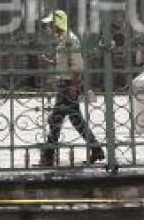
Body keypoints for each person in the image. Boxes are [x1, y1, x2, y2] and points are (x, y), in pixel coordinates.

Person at [38, 10, 105, 167]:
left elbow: (77, 66)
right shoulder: (63, 40)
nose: (49, 27)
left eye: (51, 24)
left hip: (68, 85)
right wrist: (50, 62)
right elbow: (65, 62)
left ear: (58, 23)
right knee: (75, 119)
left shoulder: (70, 40)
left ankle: (48, 156)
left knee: (55, 120)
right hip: (65, 83)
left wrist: (74, 86)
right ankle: (96, 149)